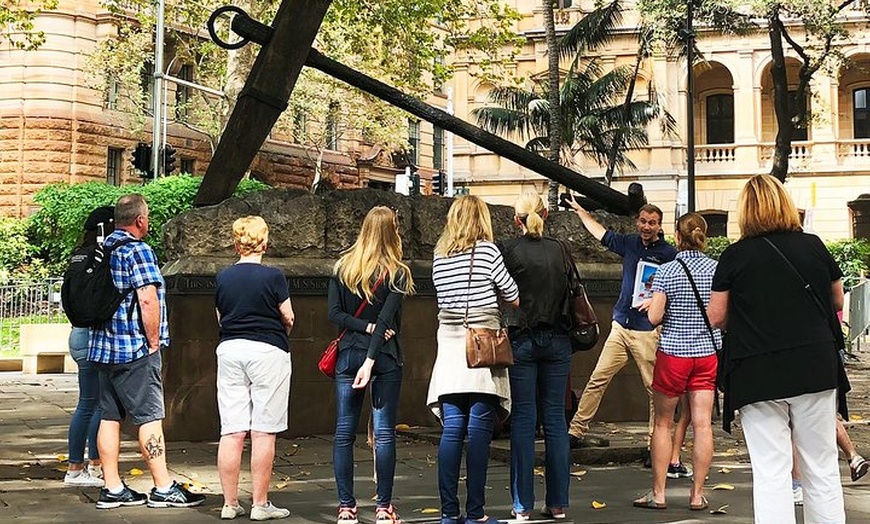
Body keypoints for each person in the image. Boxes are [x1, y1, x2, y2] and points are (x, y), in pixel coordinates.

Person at [708, 174, 846, 524]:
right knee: (822, 466)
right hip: (814, 364)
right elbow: (836, 299)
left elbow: (717, 316)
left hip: (757, 371)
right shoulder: (813, 246)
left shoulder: (734, 256)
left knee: (771, 470)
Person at [88, 194, 205, 509]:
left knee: (109, 416)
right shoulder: (137, 250)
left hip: (102, 348)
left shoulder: (101, 249)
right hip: (133, 349)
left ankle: (112, 488)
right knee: (150, 416)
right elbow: (148, 299)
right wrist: (153, 342)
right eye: (147, 216)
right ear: (139, 220)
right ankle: (163, 487)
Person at [427, 196, 519, 524]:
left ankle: (448, 513)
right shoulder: (487, 252)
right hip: (482, 348)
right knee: (479, 431)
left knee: (452, 430)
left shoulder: (440, 255)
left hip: (449, 347)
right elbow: (512, 294)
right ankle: (476, 513)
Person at [564, 197, 676, 450]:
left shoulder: (669, 255)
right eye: (643, 221)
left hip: (646, 331)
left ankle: (653, 445)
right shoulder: (630, 244)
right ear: (637, 222)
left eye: (652, 223)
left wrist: (659, 303)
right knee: (597, 378)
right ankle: (576, 431)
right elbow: (602, 234)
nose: (647, 227)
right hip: (620, 326)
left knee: (653, 390)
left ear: (660, 226)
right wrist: (581, 211)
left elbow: (674, 290)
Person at [327, 206, 415, 524]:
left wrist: (360, 334)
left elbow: (334, 314)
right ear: (392, 233)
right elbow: (384, 321)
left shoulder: (343, 268)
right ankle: (383, 508)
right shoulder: (398, 273)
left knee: (343, 433)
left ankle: (346, 508)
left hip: (348, 354)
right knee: (384, 433)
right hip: (385, 357)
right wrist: (372, 354)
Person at [633, 212, 720, 511]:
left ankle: (658, 493)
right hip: (707, 354)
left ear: (678, 237)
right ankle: (697, 495)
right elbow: (721, 316)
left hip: (673, 353)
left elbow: (655, 317)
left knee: (663, 423)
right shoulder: (717, 270)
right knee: (703, 424)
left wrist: (652, 308)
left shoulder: (668, 271)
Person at [215, 216, 295, 521]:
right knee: (263, 431)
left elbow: (220, 317)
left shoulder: (223, 277)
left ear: (236, 243)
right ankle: (260, 504)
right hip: (268, 351)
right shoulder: (274, 277)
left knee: (232, 430)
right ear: (264, 242)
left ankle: (229, 503)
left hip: (230, 350)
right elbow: (287, 316)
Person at [498, 191, 571, 520]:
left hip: (522, 339)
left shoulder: (509, 250)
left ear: (517, 219)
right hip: (558, 339)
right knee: (556, 422)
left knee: (524, 422)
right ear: (546, 214)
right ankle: (557, 503)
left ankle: (521, 505)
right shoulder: (559, 248)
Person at [64, 205, 115, 488]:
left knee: (86, 403)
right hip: (95, 335)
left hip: (77, 334)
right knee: (99, 405)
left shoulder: (77, 255)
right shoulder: (100, 255)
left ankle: (75, 466)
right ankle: (94, 465)